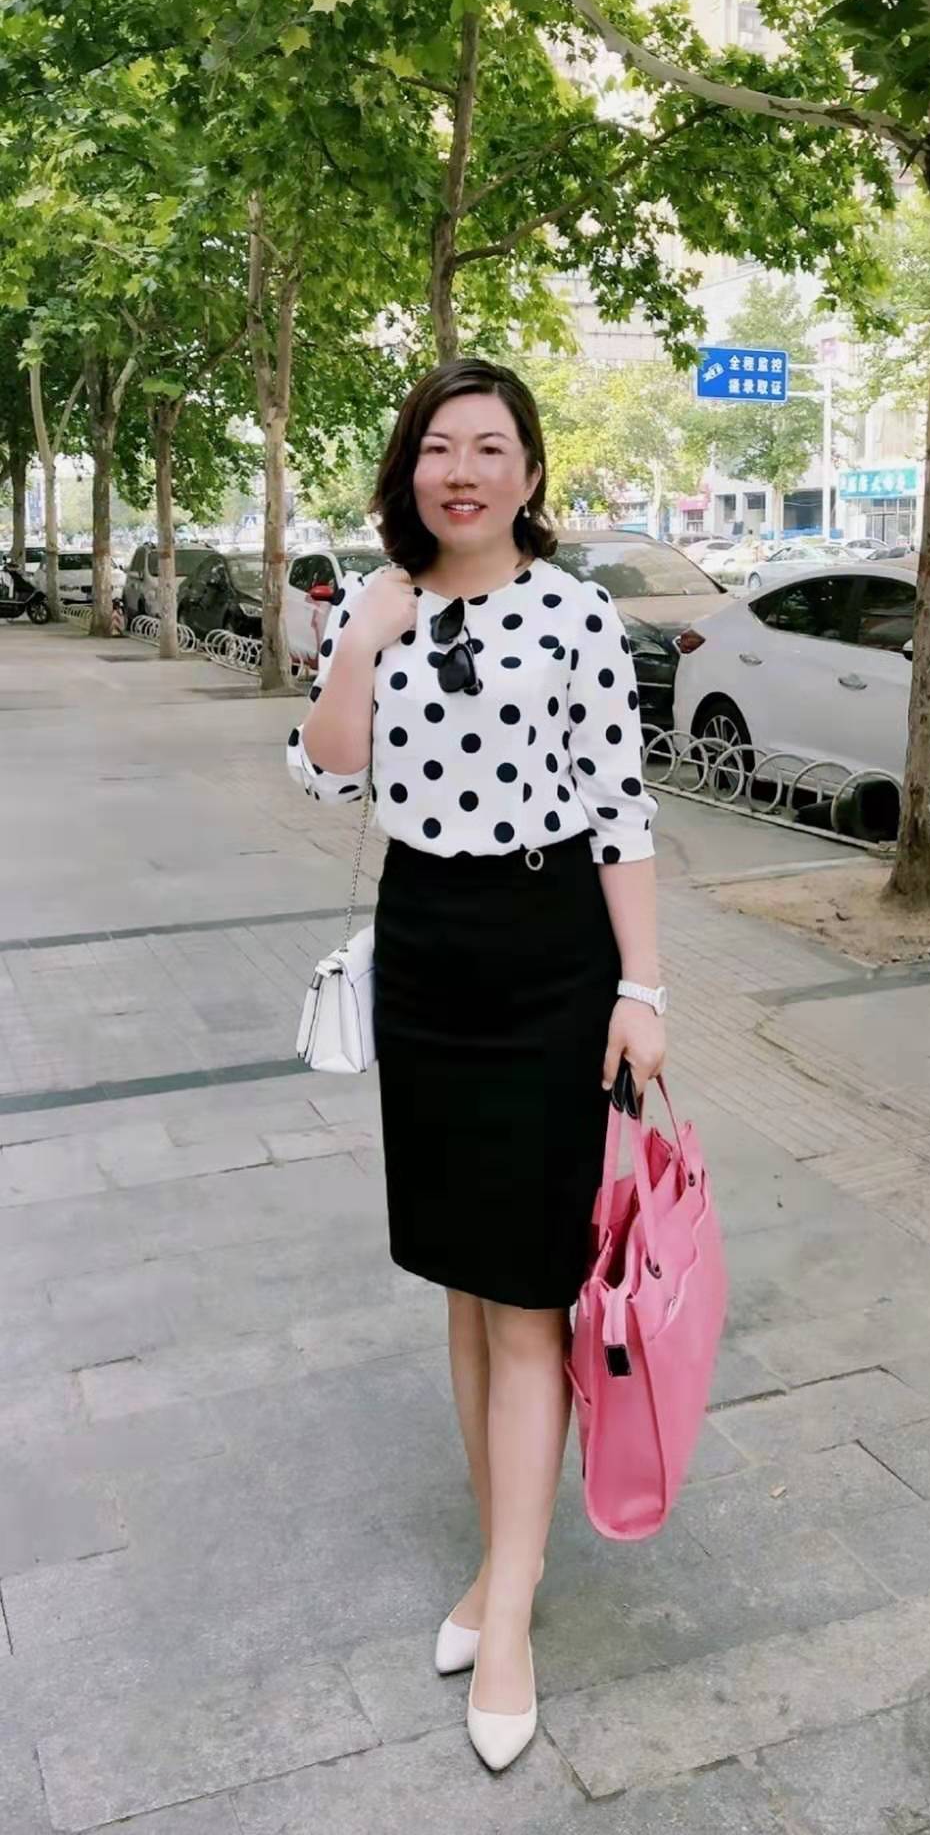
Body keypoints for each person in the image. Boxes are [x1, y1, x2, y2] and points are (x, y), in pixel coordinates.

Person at [287, 357, 666, 1772]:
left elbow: (620, 808)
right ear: (411, 469)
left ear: (528, 471)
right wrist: (359, 640)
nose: (462, 471)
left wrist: (642, 989)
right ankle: (505, 1557)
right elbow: (327, 770)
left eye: (489, 447)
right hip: (428, 951)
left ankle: (508, 1608)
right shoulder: (378, 603)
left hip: (549, 954)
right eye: (439, 447)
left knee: (527, 1299)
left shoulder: (575, 611)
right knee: (464, 1281)